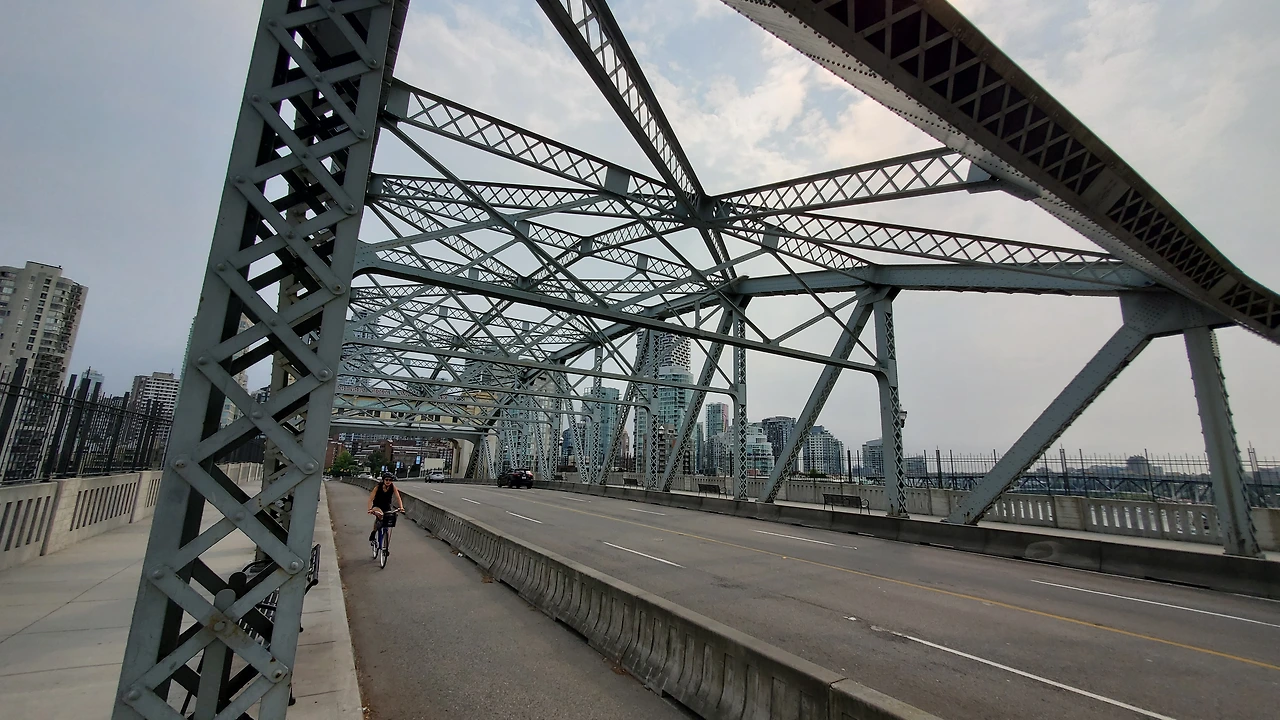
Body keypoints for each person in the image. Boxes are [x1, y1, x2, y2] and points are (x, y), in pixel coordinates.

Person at [368, 472, 406, 546]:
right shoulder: (378, 487)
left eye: (390, 480)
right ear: (383, 480)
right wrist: (369, 509)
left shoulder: (392, 487)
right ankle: (373, 533)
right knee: (380, 515)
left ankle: (385, 544)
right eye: (386, 480)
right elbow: (370, 499)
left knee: (388, 519)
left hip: (386, 506)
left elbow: (398, 497)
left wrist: (401, 507)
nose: (388, 481)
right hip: (377, 506)